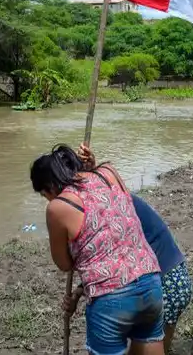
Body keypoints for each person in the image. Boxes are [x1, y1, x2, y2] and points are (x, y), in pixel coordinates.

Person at [31, 144, 165, 355]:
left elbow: (64, 264)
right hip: (151, 282)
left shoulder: (58, 207)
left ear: (49, 187)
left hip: (110, 298)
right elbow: (116, 210)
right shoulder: (108, 172)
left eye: (44, 194)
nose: (47, 199)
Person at [77, 146, 193, 353]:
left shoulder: (106, 211)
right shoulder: (117, 199)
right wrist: (78, 292)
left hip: (164, 284)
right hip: (176, 280)